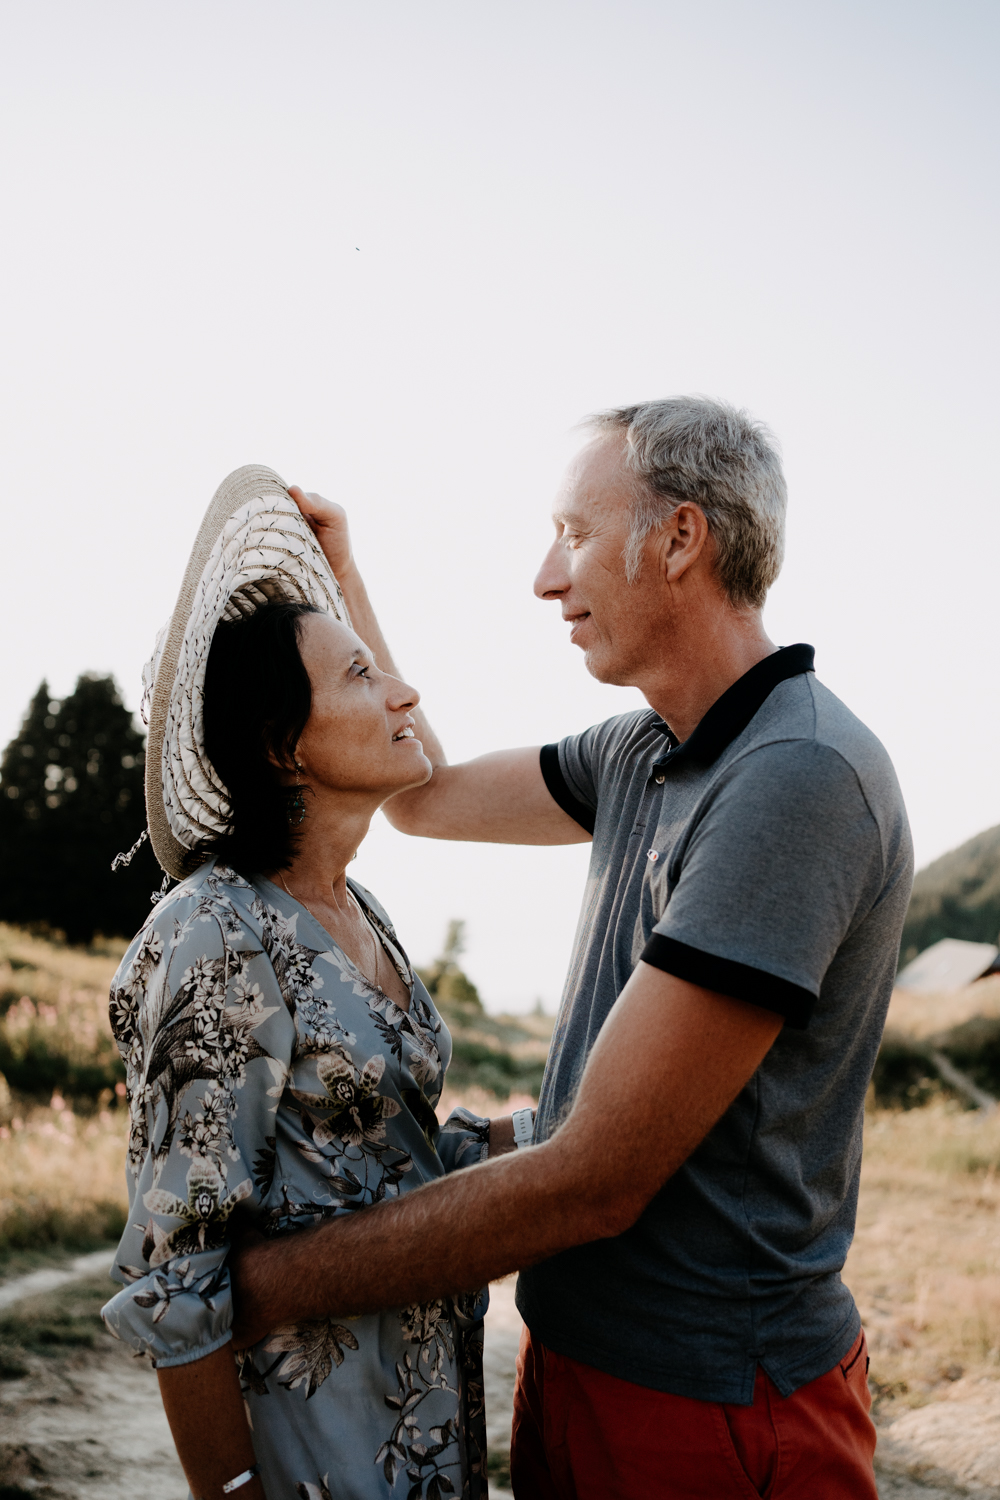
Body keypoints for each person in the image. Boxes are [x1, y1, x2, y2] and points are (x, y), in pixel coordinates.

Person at [230, 400, 913, 1500]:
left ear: (680, 539)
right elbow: (426, 797)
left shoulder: (796, 777)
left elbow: (595, 1181)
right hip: (581, 1365)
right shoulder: (642, 749)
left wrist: (257, 1286)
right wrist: (342, 580)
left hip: (708, 1409)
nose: (546, 579)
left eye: (574, 534)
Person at [102, 468, 519, 1500]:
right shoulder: (215, 930)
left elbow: (381, 1162)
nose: (405, 695)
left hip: (427, 1442)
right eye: (362, 676)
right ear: (282, 744)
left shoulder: (360, 910)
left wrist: (565, 1134)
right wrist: (234, 1493)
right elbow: (178, 1268)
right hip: (316, 1463)